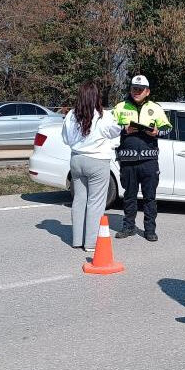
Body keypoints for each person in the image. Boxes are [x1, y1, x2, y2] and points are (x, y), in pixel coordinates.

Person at [61, 83, 122, 251]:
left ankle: (77, 240)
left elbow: (66, 139)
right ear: (97, 97)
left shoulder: (72, 115)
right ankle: (91, 243)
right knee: (95, 202)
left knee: (79, 200)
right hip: (97, 161)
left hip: (76, 160)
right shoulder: (104, 115)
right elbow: (115, 131)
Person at [112, 75, 172, 242]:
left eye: (140, 89)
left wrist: (157, 132)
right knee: (129, 196)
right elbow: (108, 128)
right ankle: (128, 227)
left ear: (147, 91)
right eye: (134, 89)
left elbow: (168, 128)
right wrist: (124, 129)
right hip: (127, 161)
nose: (136, 92)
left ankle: (150, 229)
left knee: (149, 197)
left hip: (149, 161)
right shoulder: (120, 107)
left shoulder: (156, 108)